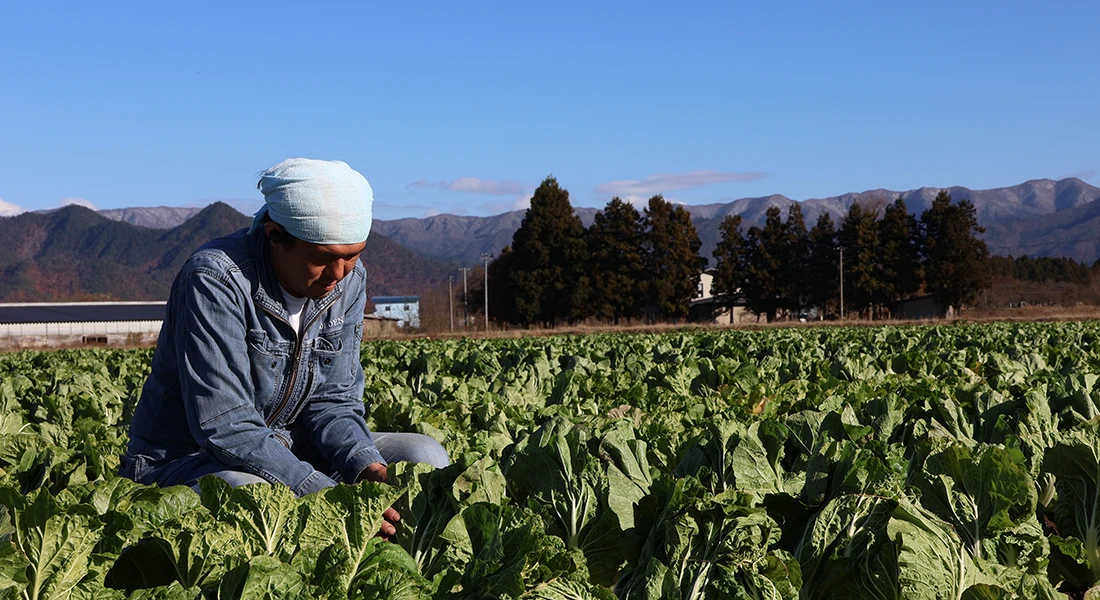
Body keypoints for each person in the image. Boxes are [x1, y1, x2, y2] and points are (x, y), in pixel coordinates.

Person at [121, 158, 448, 534]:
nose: (339, 274)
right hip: (191, 460)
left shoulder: (350, 281)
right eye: (322, 258)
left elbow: (335, 401)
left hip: (294, 449)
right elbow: (225, 425)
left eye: (353, 255)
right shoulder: (215, 278)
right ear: (275, 235)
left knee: (423, 457)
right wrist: (326, 496)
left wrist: (366, 466)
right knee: (254, 498)